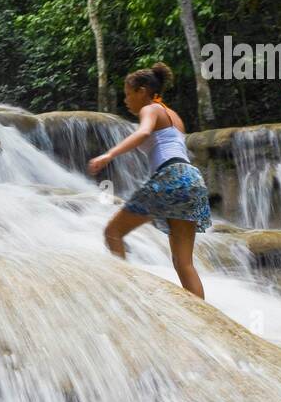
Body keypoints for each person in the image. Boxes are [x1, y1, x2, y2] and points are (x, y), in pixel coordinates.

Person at [87, 62, 211, 298]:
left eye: (127, 94)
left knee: (112, 233)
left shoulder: (151, 109)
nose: (126, 100)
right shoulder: (174, 116)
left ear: (142, 91)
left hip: (170, 177)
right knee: (184, 263)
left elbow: (143, 133)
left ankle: (126, 297)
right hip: (193, 179)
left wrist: (108, 155)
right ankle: (205, 317)